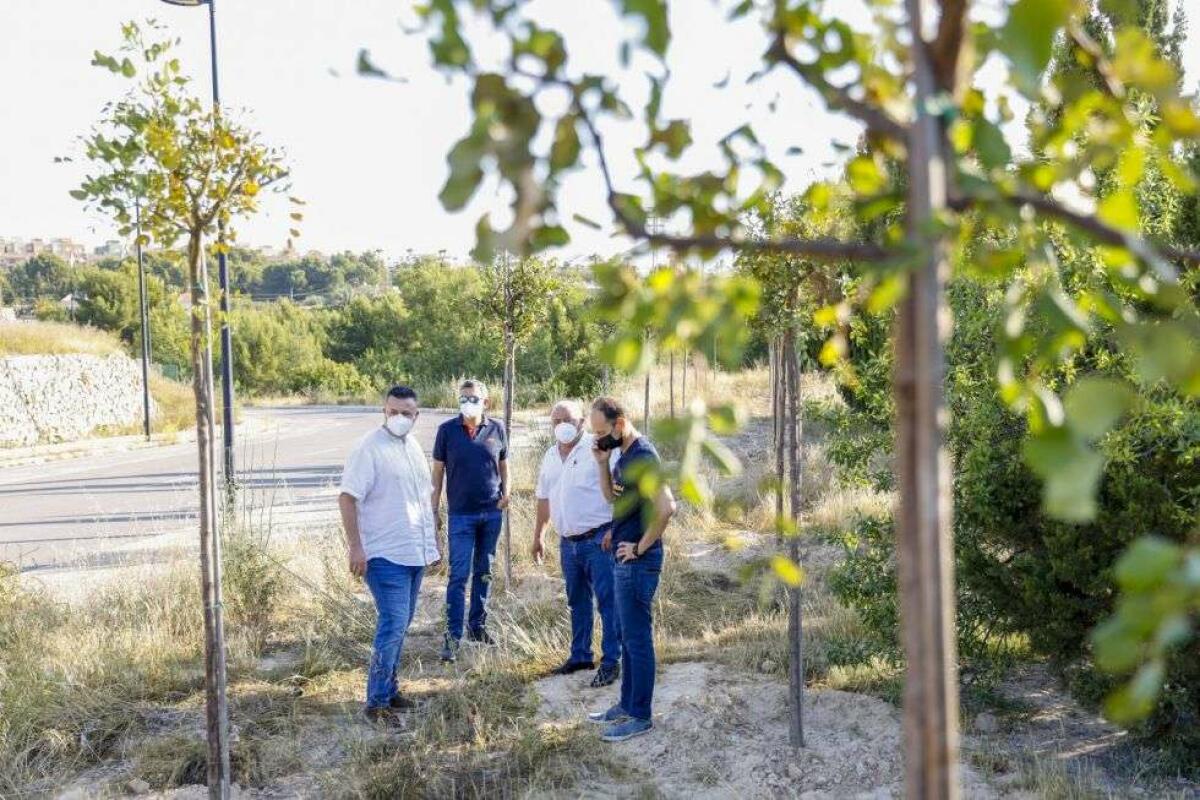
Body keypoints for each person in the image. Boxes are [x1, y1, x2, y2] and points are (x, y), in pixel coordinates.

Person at [337, 385, 440, 721]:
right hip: (383, 555)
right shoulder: (369, 448)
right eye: (392, 411)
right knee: (393, 623)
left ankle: (390, 690)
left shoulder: (412, 446)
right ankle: (376, 702)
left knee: (402, 624)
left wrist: (432, 544)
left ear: (416, 416)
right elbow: (348, 498)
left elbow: (422, 500)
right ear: (384, 411)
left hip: (413, 553)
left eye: (405, 413)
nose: (398, 418)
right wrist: (356, 546)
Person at [585, 396, 676, 742]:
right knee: (626, 637)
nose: (598, 438)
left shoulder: (644, 457)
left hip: (637, 563)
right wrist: (602, 463)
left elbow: (667, 507)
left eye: (602, 432)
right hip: (622, 558)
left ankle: (640, 715)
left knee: (637, 641)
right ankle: (626, 704)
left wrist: (639, 547)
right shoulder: (623, 455)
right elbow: (613, 499)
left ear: (619, 424)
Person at [533, 400, 622, 688]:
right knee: (577, 601)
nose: (562, 426)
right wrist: (538, 536)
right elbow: (544, 498)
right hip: (567, 542)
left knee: (608, 602)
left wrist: (617, 528)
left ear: (582, 422)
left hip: (599, 539)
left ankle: (611, 662)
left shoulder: (599, 449)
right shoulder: (549, 456)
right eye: (556, 420)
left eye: (568, 420)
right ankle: (581, 655)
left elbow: (621, 490)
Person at [431, 379, 510, 663]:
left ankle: (478, 627)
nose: (468, 402)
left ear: (485, 402)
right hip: (460, 515)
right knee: (458, 576)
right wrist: (434, 510)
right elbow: (438, 473)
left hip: (491, 512)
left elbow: (503, 462)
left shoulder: (497, 428)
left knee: (485, 571)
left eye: (474, 398)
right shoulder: (446, 431)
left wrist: (507, 491)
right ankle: (452, 638)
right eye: (463, 398)